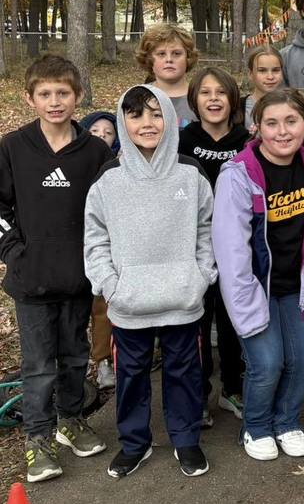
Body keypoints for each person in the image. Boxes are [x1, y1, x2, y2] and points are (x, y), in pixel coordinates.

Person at [84, 85, 215, 479]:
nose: (147, 123)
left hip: (183, 299)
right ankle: (135, 444)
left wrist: (200, 276)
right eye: (136, 115)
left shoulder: (190, 173)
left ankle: (186, 440)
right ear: (123, 123)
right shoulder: (109, 178)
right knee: (131, 377)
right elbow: (95, 237)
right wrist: (110, 284)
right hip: (128, 304)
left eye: (156, 114)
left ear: (170, 120)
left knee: (184, 373)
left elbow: (207, 230)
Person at [0, 56, 114, 482]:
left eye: (62, 93)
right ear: (30, 98)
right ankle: (38, 439)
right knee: (38, 364)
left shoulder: (95, 151)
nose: (54, 101)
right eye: (45, 94)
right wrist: (14, 250)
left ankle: (70, 420)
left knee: (73, 356)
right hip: (31, 281)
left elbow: (107, 211)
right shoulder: (13, 147)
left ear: (78, 96)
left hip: (78, 276)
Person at [212, 89, 304, 462]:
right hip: (255, 288)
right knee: (267, 363)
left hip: (298, 288)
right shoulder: (239, 174)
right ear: (256, 127)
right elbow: (232, 252)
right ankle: (257, 426)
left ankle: (287, 420)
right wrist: (246, 310)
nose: (282, 131)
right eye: (271, 123)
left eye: (290, 121)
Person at [179, 67, 250, 424]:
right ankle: (200, 393)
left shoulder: (247, 141)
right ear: (194, 100)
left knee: (234, 320)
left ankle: (233, 389)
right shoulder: (181, 142)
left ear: (232, 99)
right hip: (193, 247)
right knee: (198, 323)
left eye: (220, 92)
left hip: (237, 247)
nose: (213, 99)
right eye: (205, 93)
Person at [81, 110, 120, 391]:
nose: (102, 137)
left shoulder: (118, 166)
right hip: (71, 245)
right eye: (96, 131)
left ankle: (103, 359)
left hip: (106, 246)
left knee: (102, 307)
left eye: (108, 132)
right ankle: (77, 359)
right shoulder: (75, 161)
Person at [135, 24, 199, 126]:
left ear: (188, 57)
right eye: (161, 54)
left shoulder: (201, 98)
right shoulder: (135, 98)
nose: (169, 59)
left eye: (176, 53)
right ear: (149, 59)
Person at [245, 45, 285, 131]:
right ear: (250, 74)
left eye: (275, 70)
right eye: (262, 70)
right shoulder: (239, 109)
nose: (270, 77)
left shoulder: (291, 107)